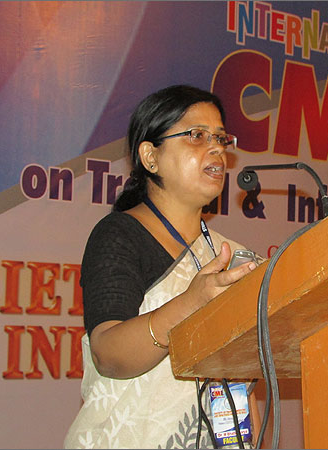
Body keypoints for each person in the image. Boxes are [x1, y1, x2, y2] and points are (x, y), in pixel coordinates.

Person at [64, 85, 258, 449]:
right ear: (150, 157)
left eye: (220, 138)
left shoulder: (232, 254)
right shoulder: (118, 235)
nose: (217, 149)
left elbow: (240, 379)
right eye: (196, 136)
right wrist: (191, 303)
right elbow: (108, 354)